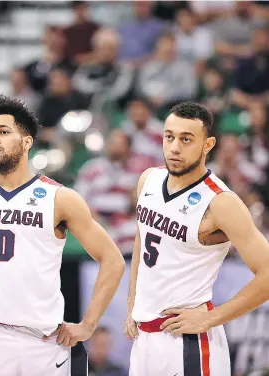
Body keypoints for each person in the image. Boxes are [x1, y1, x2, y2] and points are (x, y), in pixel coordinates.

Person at [0, 95, 125, 375]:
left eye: (3, 132)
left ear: (27, 142)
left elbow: (113, 260)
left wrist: (87, 325)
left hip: (44, 341)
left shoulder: (60, 198)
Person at [125, 102, 269, 375]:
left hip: (188, 343)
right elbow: (143, 238)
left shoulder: (221, 202)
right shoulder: (149, 180)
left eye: (186, 139)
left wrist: (212, 318)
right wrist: (132, 300)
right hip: (144, 339)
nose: (175, 147)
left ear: (208, 144)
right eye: (169, 137)